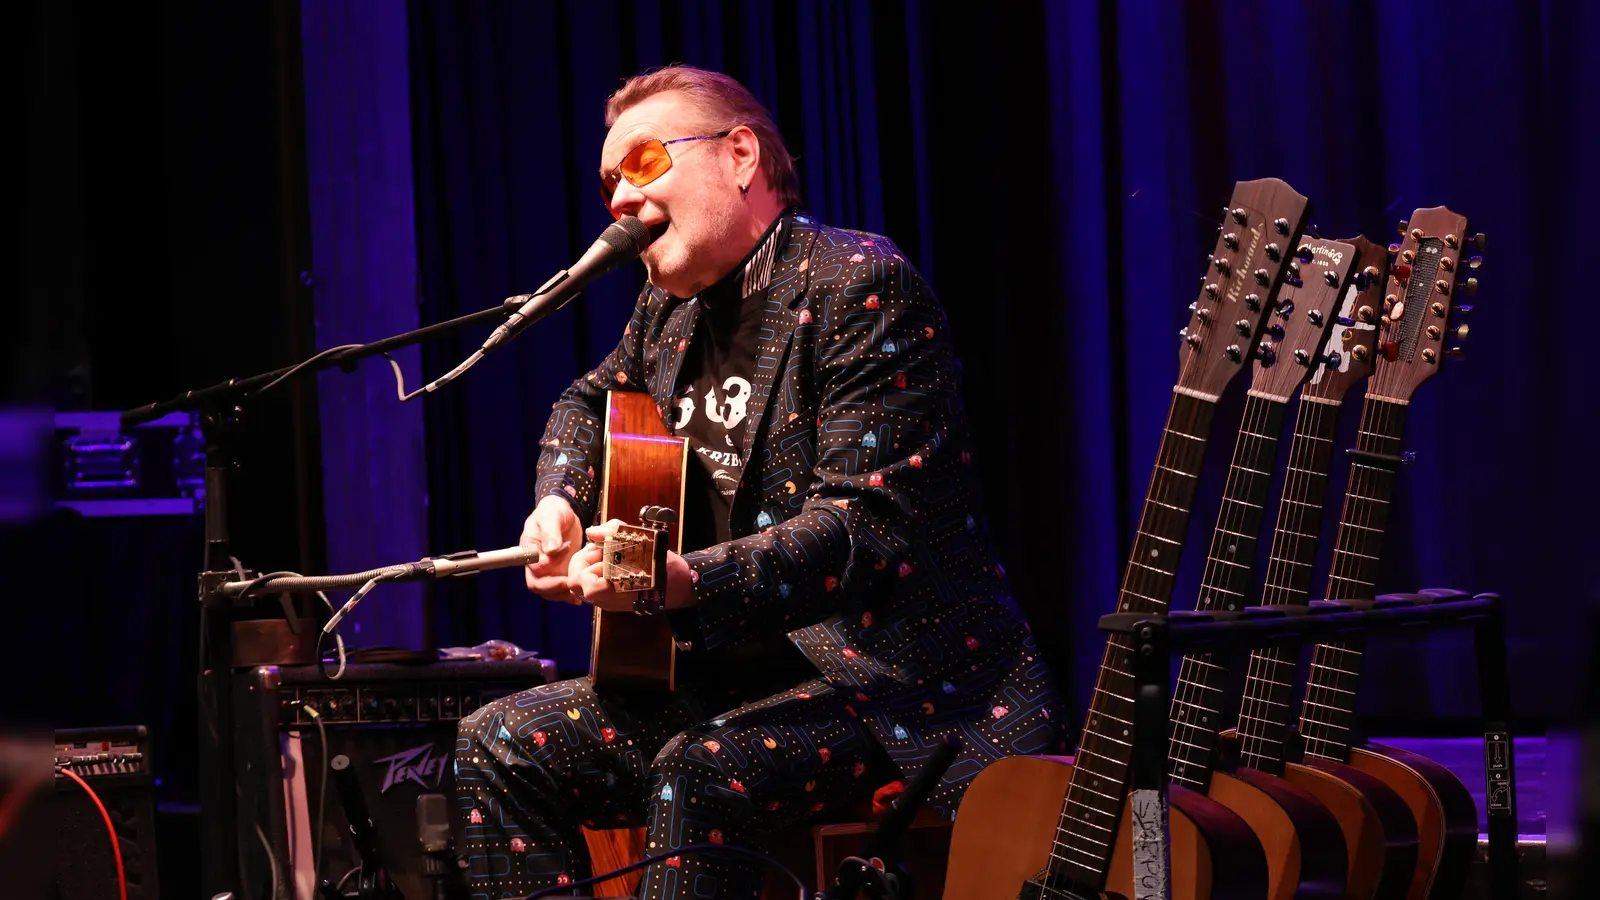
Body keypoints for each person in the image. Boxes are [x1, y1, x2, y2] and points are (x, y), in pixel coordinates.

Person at [455, 65, 1062, 899]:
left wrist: (682, 584)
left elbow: (862, 530)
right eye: (607, 184)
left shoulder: (858, 284)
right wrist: (557, 497)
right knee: (500, 739)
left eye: (640, 165)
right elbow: (589, 399)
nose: (618, 203)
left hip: (892, 685)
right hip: (739, 678)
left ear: (739, 155)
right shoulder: (666, 313)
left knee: (697, 772)